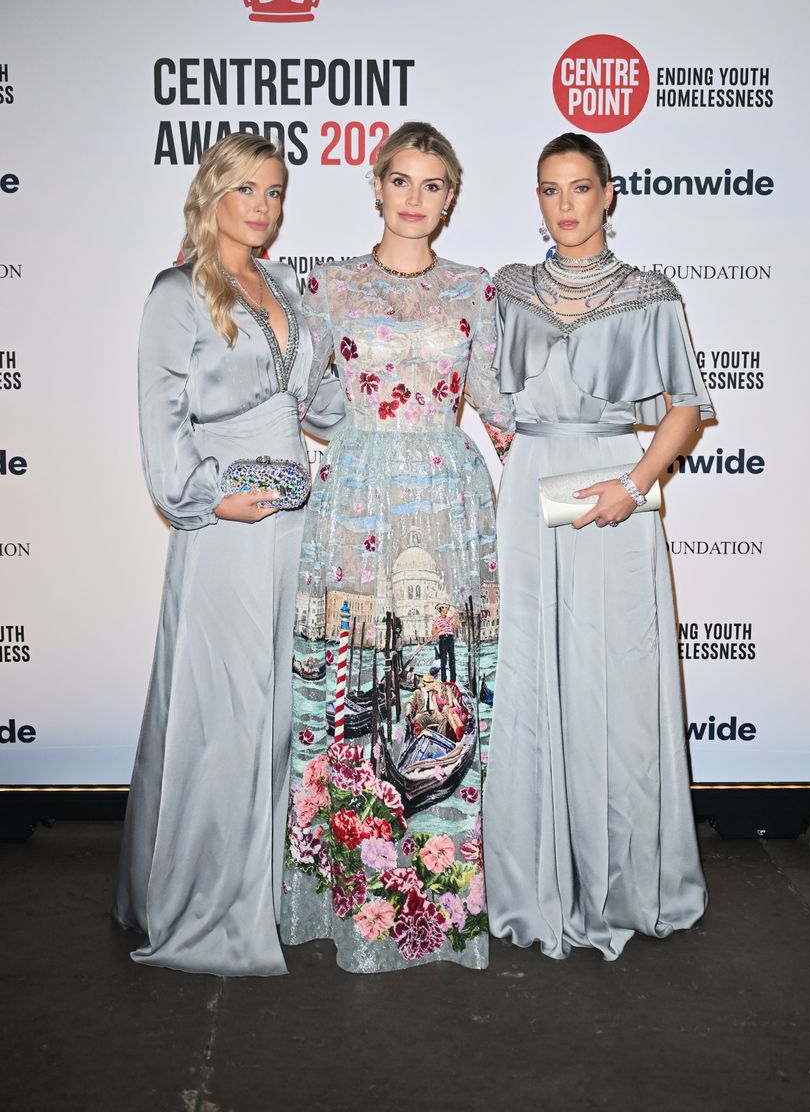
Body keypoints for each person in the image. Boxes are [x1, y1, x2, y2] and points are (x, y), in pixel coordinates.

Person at [281, 122, 512, 972]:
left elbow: (497, 402)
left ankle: (439, 901)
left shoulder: (474, 290)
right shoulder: (329, 286)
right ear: (376, 187)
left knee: (438, 689)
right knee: (353, 689)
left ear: (452, 198)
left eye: (434, 185)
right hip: (357, 506)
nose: (416, 199)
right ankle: (353, 897)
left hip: (451, 506)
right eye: (402, 181)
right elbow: (304, 401)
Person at [113, 132, 342, 976]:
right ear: (211, 192)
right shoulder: (178, 291)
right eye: (246, 188)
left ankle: (268, 889)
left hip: (294, 523)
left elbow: (322, 403)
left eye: (276, 192)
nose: (263, 206)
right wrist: (209, 495)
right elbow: (161, 426)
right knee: (222, 712)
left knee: (280, 710)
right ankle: (205, 901)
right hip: (228, 526)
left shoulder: (284, 284)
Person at [484, 131, 710, 961]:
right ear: (537, 199)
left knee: (614, 679)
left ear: (610, 193)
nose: (566, 205)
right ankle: (532, 881)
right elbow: (482, 385)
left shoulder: (650, 294)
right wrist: (514, 449)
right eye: (550, 190)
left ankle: (621, 881)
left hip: (619, 484)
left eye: (581, 188)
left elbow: (684, 407)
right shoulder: (508, 290)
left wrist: (635, 484)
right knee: (531, 677)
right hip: (534, 482)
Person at [430, 602, 457, 683]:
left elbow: (457, 626)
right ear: (441, 609)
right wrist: (440, 629)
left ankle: (453, 680)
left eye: (447, 608)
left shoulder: (450, 619)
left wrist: (457, 617)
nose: (447, 610)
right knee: (443, 660)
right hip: (442, 639)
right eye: (445, 608)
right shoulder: (436, 620)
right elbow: (433, 633)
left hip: (450, 639)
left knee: (452, 660)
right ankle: (444, 680)